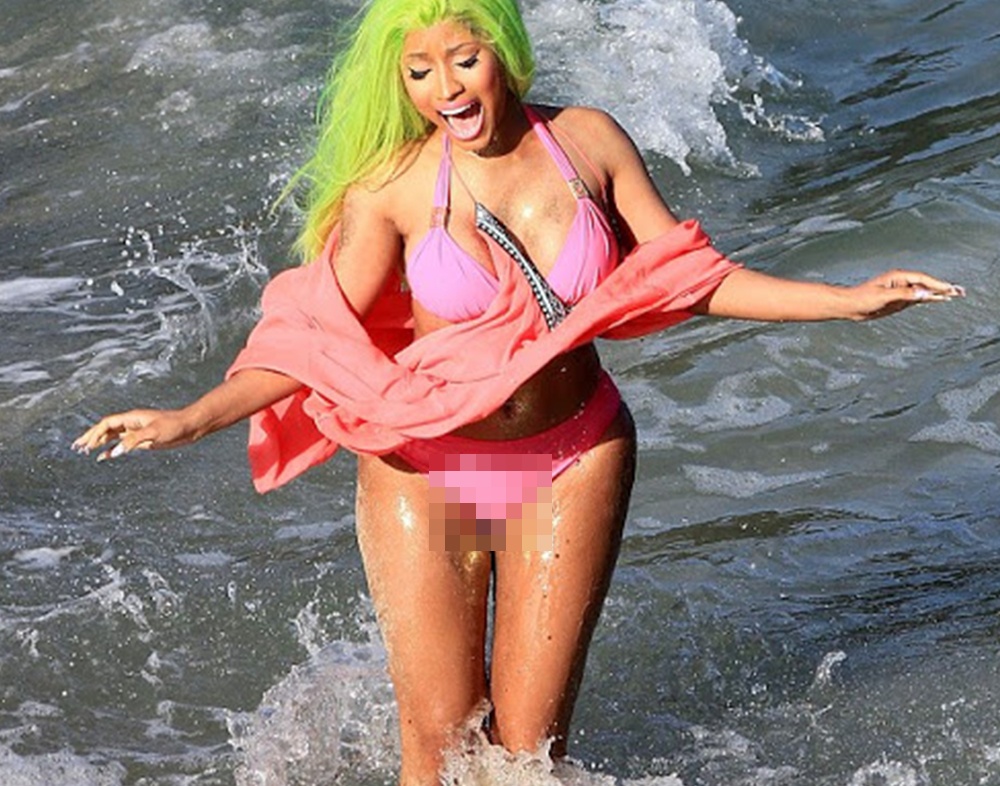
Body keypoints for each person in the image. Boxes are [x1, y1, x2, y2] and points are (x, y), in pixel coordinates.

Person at [73, 0, 964, 783]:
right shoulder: (394, 186)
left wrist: (845, 301)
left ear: (504, 51)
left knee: (528, 757)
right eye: (420, 71)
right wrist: (193, 418)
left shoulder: (588, 143)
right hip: (428, 467)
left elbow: (687, 277)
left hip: (573, 456)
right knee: (436, 749)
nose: (446, 88)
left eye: (465, 59)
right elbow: (315, 336)